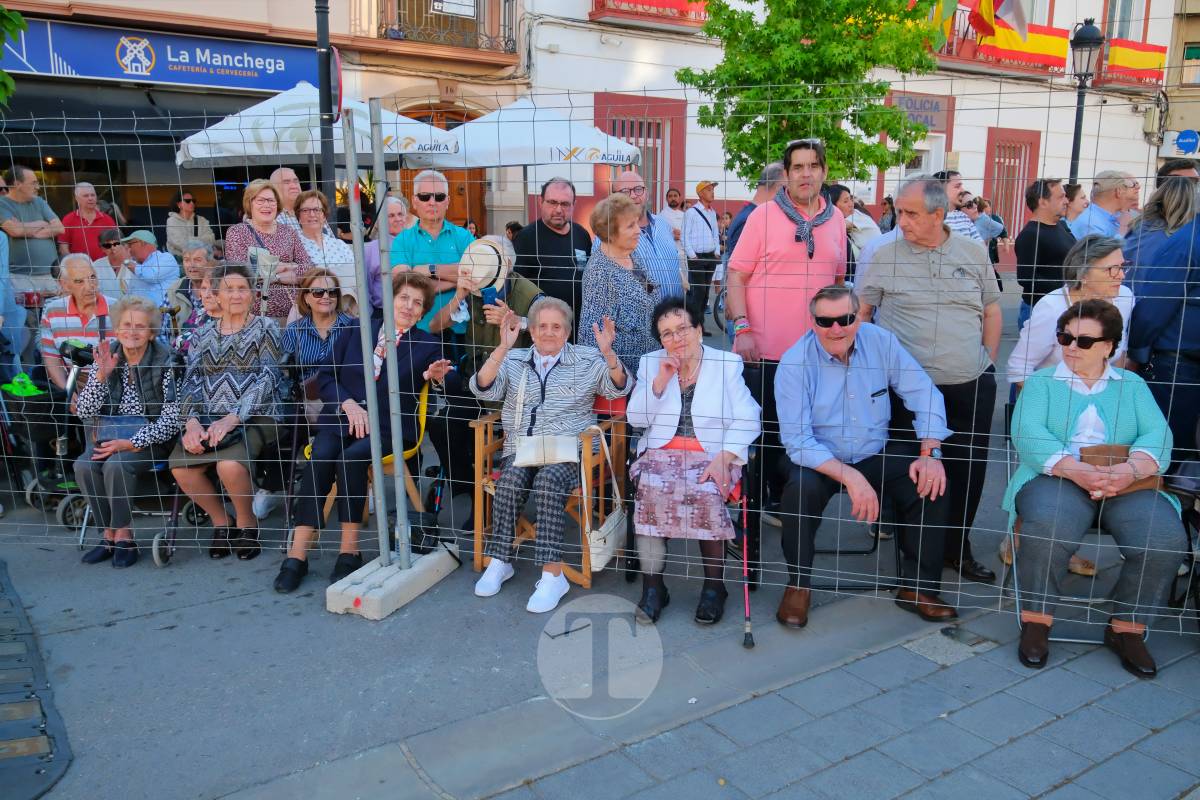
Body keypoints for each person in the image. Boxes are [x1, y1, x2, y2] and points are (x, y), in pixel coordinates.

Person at [1004, 299, 1184, 677]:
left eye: (1084, 342)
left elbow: (1158, 435)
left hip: (1125, 481)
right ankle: (1037, 621)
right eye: (1065, 337)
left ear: (1109, 346)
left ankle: (1126, 630)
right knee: (1047, 528)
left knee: (1163, 538)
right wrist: (1075, 469)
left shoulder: (1131, 385)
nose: (1071, 347)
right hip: (1056, 476)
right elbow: (1027, 433)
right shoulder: (1042, 383)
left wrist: (1130, 471)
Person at [775, 285, 956, 627]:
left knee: (931, 480)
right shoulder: (794, 362)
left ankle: (919, 587)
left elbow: (924, 393)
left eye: (845, 318)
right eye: (825, 321)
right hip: (819, 457)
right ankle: (798, 584)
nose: (835, 329)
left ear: (858, 316)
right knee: (799, 490)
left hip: (874, 451)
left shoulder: (881, 342)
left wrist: (931, 451)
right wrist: (851, 477)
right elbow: (797, 441)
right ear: (812, 321)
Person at [857, 175, 1002, 584]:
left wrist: (987, 362)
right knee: (912, 472)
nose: (900, 220)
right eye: (898, 211)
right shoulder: (885, 256)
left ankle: (957, 548)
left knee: (966, 471)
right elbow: (863, 316)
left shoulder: (973, 252)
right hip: (908, 392)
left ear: (939, 215)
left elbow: (992, 311)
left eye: (911, 213)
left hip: (969, 384)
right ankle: (916, 554)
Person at [273, 272, 454, 592]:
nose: (409, 307)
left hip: (389, 425)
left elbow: (448, 379)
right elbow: (326, 378)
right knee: (323, 455)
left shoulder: (427, 343)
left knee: (352, 458)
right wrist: (348, 405)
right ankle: (297, 554)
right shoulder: (356, 329)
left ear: (424, 310)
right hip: (343, 416)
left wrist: (434, 376)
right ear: (389, 299)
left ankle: (349, 550)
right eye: (403, 299)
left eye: (418, 303)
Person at [470, 297, 631, 613]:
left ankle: (552, 573)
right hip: (521, 447)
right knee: (512, 479)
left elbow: (618, 388)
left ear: (568, 332)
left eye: (556, 326)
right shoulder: (515, 360)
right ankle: (501, 559)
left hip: (571, 452)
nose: (548, 332)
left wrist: (608, 352)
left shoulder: (586, 359)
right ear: (530, 331)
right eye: (541, 326)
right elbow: (483, 387)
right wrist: (503, 347)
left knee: (548, 479)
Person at [726, 139, 847, 517]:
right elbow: (735, 275)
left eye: (813, 165)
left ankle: (794, 503)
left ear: (824, 172)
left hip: (818, 352)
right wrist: (742, 327)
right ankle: (759, 505)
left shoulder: (838, 220)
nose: (806, 173)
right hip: (765, 351)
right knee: (765, 433)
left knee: (810, 430)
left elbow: (838, 283)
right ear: (787, 175)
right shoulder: (762, 216)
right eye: (798, 167)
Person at [627, 297, 761, 624]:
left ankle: (715, 588)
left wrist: (726, 457)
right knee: (650, 493)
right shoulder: (651, 362)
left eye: (683, 328)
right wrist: (659, 382)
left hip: (710, 454)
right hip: (660, 452)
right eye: (667, 333)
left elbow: (749, 417)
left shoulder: (725, 364)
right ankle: (653, 587)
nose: (676, 338)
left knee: (705, 493)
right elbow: (635, 419)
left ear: (699, 330)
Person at [170, 263, 285, 562]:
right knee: (181, 467)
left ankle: (247, 522)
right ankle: (223, 522)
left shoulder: (266, 327)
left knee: (228, 466)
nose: (236, 295)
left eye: (242, 289)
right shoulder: (202, 334)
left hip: (258, 414)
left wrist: (234, 416)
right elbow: (191, 381)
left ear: (252, 294)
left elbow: (270, 378)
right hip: (208, 417)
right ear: (217, 295)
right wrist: (192, 422)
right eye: (229, 289)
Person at [75, 296, 181, 569]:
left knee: (117, 466)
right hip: (109, 434)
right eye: (126, 325)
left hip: (151, 438)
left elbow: (172, 419)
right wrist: (100, 376)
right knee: (84, 466)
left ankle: (123, 535)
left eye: (140, 326)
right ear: (117, 328)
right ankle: (107, 534)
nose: (132, 332)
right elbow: (84, 412)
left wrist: (132, 443)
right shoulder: (108, 355)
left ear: (152, 332)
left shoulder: (167, 360)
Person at [1009, 235, 1134, 386]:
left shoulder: (1124, 298)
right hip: (1056, 399)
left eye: (1122, 266)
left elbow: (1119, 353)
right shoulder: (1052, 307)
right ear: (1083, 273)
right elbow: (1018, 368)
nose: (1121, 275)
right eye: (1112, 269)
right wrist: (1048, 400)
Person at [1128, 212, 1200, 460]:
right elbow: (1153, 307)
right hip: (1177, 365)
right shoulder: (1187, 243)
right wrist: (1136, 353)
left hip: (1187, 363)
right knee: (1172, 452)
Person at [577, 194, 662, 375]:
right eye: (630, 226)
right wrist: (615, 378)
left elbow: (647, 290)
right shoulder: (600, 273)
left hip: (648, 367)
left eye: (637, 223)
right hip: (623, 378)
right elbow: (592, 339)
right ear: (610, 233)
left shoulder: (630, 256)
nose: (638, 230)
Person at [390, 170, 471, 328]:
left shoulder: (463, 236)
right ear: (414, 201)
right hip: (416, 331)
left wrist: (428, 270)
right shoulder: (403, 240)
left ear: (447, 201)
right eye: (425, 196)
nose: (432, 202)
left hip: (461, 331)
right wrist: (457, 282)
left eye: (439, 197)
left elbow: (477, 274)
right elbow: (404, 285)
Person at [223, 179, 312, 320]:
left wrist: (270, 273)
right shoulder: (237, 232)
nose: (267, 205)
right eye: (260, 201)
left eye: (271, 201)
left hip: (294, 315)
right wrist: (284, 267)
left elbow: (308, 270)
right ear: (249, 203)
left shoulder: (288, 232)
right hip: (255, 317)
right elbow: (240, 273)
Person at [511, 177, 593, 313]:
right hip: (544, 327)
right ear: (540, 201)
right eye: (553, 202)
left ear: (574, 205)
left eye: (565, 204)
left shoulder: (582, 234)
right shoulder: (526, 237)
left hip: (579, 323)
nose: (559, 209)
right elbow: (517, 286)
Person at [713, 163, 787, 306]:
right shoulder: (751, 218)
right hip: (748, 306)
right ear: (779, 187)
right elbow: (739, 272)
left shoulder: (751, 214)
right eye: (788, 189)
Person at [39, 255, 116, 391]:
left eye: (92, 277)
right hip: (74, 383)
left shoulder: (118, 309)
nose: (89, 286)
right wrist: (68, 393)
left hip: (115, 386)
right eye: (79, 281)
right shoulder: (53, 311)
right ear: (64, 285)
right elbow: (51, 359)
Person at [611, 170, 684, 299]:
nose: (633, 196)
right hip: (639, 318)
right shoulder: (607, 236)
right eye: (625, 192)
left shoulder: (663, 224)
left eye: (638, 189)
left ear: (647, 194)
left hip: (675, 314)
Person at [1015, 178, 1076, 329]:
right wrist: (1068, 287)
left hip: (1064, 307)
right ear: (1042, 202)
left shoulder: (1061, 226)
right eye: (1061, 196)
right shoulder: (1030, 234)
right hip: (1039, 311)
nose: (1067, 201)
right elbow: (1026, 279)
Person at [281, 269, 355, 383]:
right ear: (306, 298)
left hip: (346, 396)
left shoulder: (353, 327)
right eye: (318, 292)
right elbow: (285, 374)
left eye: (332, 292)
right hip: (306, 398)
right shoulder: (293, 331)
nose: (326, 296)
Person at [1121, 176, 1195, 287]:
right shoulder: (1174, 239)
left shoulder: (1141, 225)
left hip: (1122, 295)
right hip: (1143, 299)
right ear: (1190, 204)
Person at [0, 165, 64, 293]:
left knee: (55, 310)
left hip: (51, 275)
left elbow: (59, 228)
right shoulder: (2, 204)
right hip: (20, 277)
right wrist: (42, 223)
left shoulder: (39, 201)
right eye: (33, 183)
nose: (38, 187)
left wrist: (25, 228)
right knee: (28, 312)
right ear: (17, 184)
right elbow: (15, 231)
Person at [295, 189, 355, 306]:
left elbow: (354, 276)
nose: (312, 214)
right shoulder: (294, 245)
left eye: (317, 210)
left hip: (345, 303)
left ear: (324, 216)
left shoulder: (340, 245)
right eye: (305, 210)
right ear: (299, 217)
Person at [361, 196, 411, 317]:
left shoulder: (416, 244)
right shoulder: (370, 249)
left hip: (414, 311)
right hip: (382, 313)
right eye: (391, 216)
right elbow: (365, 289)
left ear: (406, 217)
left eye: (400, 214)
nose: (397, 219)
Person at [683, 180, 722, 320]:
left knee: (705, 293)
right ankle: (693, 324)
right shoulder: (691, 212)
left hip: (710, 256)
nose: (712, 192)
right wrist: (692, 255)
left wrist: (716, 252)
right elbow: (684, 236)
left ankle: (700, 326)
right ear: (700, 193)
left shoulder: (712, 213)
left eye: (712, 189)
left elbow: (715, 234)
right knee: (697, 293)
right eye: (709, 190)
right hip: (697, 257)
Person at [827, 183, 881, 283]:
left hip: (876, 267)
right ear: (834, 205)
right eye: (845, 201)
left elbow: (833, 228)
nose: (851, 203)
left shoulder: (855, 216)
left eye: (850, 199)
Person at [1069, 171, 1139, 239]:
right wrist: (1124, 228)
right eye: (1126, 189)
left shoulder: (1106, 217)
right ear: (1118, 192)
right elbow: (1107, 250)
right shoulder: (1090, 223)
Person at [119, 230, 180, 307]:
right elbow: (130, 294)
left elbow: (151, 276)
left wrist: (126, 261)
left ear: (143, 243)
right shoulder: (137, 266)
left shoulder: (166, 258)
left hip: (164, 314)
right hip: (141, 314)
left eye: (130, 245)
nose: (128, 249)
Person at [57, 182, 117, 261]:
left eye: (93, 195)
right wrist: (73, 264)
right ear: (77, 198)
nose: (90, 198)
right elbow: (63, 248)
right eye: (86, 196)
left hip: (105, 266)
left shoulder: (107, 219)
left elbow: (116, 245)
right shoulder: (68, 219)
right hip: (79, 268)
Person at [170, 239, 216, 338]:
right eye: (186, 260)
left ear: (209, 262)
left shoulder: (220, 288)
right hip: (179, 350)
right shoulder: (174, 289)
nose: (191, 265)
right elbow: (164, 329)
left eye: (197, 260)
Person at [165, 189, 218, 260]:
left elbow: (211, 239)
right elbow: (179, 243)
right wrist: (201, 241)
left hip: (202, 259)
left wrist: (190, 240)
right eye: (188, 201)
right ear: (178, 204)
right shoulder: (172, 221)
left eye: (194, 201)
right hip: (181, 260)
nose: (192, 203)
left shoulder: (202, 220)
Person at [931, 170, 983, 242]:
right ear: (941, 190)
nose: (962, 190)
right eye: (957, 186)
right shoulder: (930, 217)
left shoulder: (963, 217)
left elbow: (981, 248)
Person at [91, 228, 127, 298]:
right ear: (102, 249)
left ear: (123, 244)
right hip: (106, 307)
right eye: (107, 246)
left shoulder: (134, 264)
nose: (112, 248)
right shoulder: (96, 265)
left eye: (116, 244)